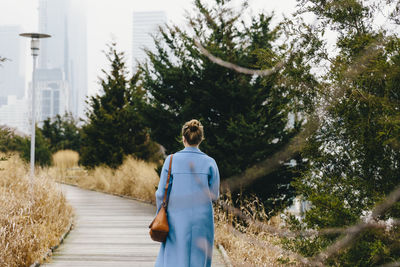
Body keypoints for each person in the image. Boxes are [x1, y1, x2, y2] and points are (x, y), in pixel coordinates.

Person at [155, 119, 220, 267]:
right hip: (202, 219)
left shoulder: (171, 160)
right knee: (199, 258)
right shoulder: (210, 162)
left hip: (175, 217)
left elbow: (161, 194)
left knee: (175, 257)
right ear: (200, 139)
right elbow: (214, 195)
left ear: (183, 139)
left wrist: (160, 213)